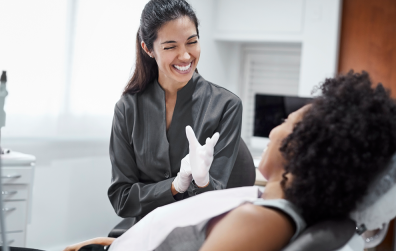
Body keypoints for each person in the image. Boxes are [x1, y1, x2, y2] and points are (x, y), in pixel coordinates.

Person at [65, 71, 396, 251]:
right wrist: (118, 242)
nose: (273, 131)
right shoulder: (265, 203)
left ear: (301, 151)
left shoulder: (261, 220)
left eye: (285, 123)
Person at [108, 0, 253, 222]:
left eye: (191, 42)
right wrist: (174, 186)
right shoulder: (127, 109)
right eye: (170, 46)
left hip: (200, 231)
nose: (185, 56)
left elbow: (216, 198)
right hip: (145, 229)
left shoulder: (226, 106)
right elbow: (122, 198)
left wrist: (203, 181)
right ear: (148, 49)